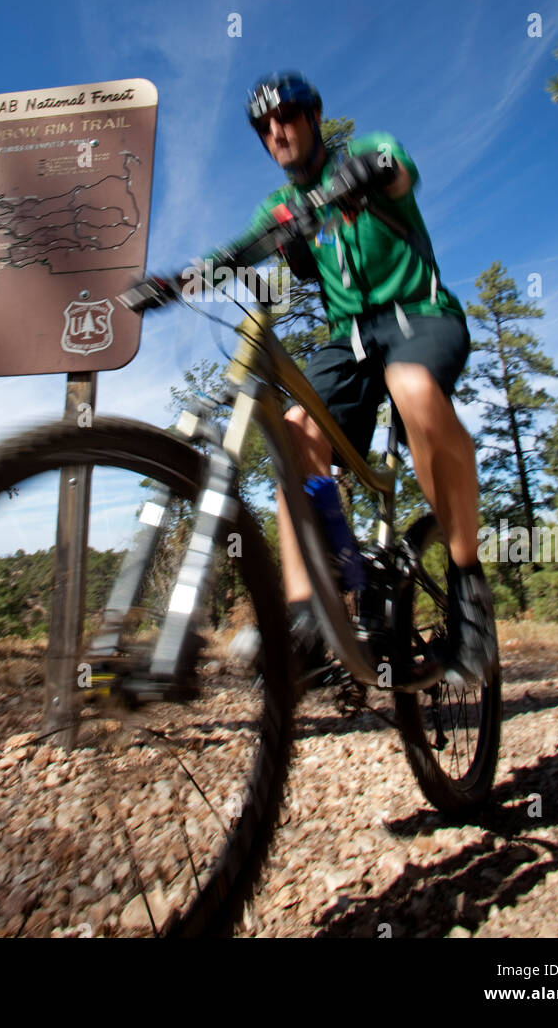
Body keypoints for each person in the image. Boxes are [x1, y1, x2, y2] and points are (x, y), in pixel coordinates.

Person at [202, 71, 498, 691]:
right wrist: (178, 281)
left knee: (413, 387)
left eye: (286, 116)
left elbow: (396, 168)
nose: (276, 131)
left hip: (419, 314)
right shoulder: (278, 207)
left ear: (313, 116)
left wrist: (362, 176)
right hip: (350, 341)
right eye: (263, 126)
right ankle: (310, 616)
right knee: (292, 434)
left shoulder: (364, 152)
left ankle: (471, 600)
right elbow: (240, 251)